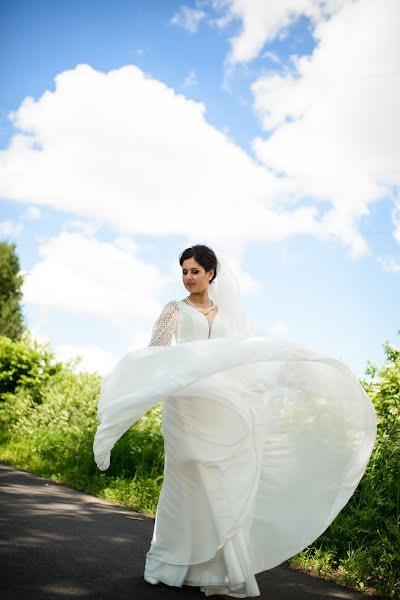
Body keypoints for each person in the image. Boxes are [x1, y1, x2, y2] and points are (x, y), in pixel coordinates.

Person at [93, 244, 377, 598]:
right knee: (185, 481)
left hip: (223, 410)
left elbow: (248, 357)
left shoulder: (231, 315)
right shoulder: (174, 310)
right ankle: (172, 564)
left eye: (194, 271)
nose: (187, 277)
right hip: (186, 406)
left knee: (221, 482)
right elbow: (156, 352)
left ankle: (218, 569)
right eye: (183, 271)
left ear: (211, 273)